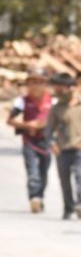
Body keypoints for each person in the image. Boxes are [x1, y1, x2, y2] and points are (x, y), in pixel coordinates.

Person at [6, 67, 53, 213]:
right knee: (32, 170)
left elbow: (57, 120)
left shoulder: (52, 101)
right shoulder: (22, 101)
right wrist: (27, 125)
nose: (36, 86)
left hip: (46, 141)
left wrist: (42, 124)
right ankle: (34, 197)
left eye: (40, 82)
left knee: (43, 171)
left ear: (45, 84)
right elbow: (10, 120)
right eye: (33, 82)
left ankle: (40, 196)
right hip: (29, 141)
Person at [45, 73, 81, 220]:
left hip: (79, 149)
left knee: (80, 176)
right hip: (62, 149)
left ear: (72, 88)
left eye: (62, 88)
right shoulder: (56, 109)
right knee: (64, 180)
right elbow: (49, 129)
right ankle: (68, 208)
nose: (59, 92)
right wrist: (52, 143)